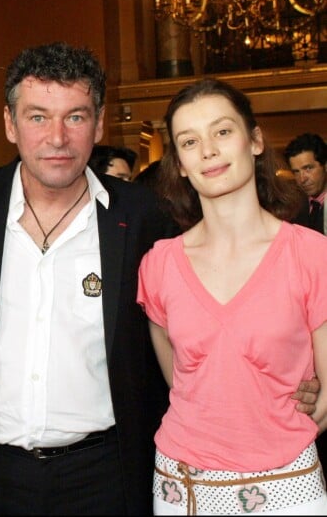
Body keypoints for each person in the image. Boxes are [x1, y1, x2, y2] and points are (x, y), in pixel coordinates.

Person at [0, 44, 320, 516]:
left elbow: (231, 276)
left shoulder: (144, 217)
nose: (57, 137)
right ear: (9, 124)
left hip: (108, 475)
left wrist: (296, 373)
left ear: (101, 122)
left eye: (76, 117)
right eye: (38, 117)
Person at [137, 78, 327, 515]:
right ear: (180, 163)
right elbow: (181, 379)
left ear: (255, 140)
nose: (208, 151)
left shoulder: (310, 254)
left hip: (288, 478)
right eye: (189, 141)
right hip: (181, 484)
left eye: (222, 132)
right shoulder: (160, 264)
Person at [284, 132, 327, 235]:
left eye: (308, 168)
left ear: (325, 166)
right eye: (296, 172)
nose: (302, 179)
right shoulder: (293, 209)